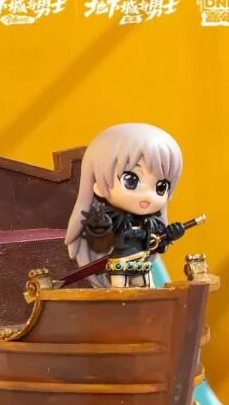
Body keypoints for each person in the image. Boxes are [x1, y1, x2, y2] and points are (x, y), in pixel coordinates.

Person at [64, 123, 187, 288]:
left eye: (161, 186)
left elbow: (159, 243)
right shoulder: (115, 218)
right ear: (99, 186)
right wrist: (99, 223)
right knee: (119, 293)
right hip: (120, 263)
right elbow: (98, 230)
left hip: (142, 263)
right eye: (131, 180)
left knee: (145, 291)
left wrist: (171, 234)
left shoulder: (151, 223)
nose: (148, 195)